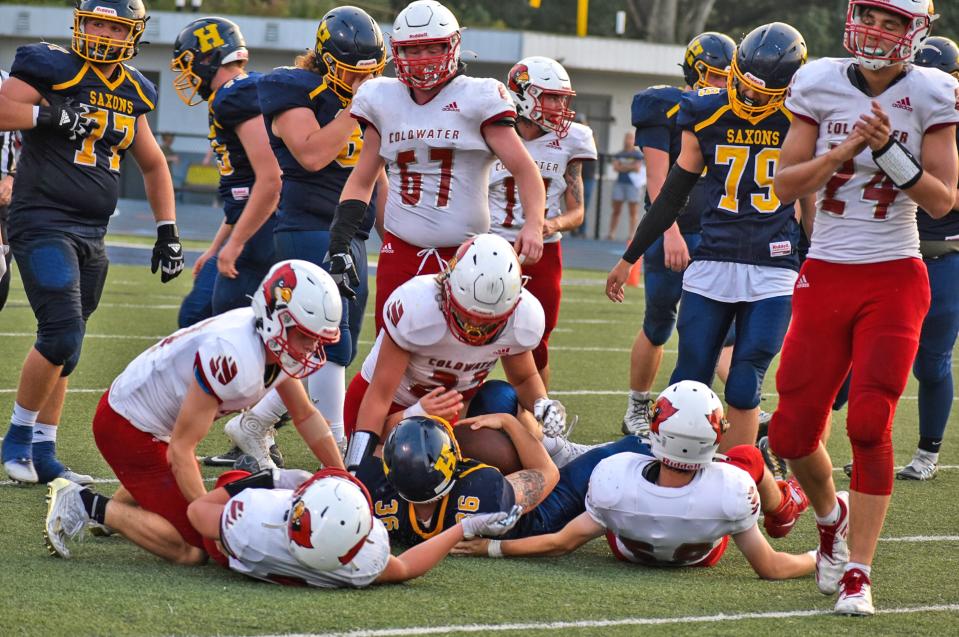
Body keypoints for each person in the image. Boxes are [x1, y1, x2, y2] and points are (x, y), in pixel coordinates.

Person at [768, 0, 958, 616]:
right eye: (869, 17)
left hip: (895, 275)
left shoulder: (933, 91)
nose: (876, 31)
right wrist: (841, 152)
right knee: (793, 431)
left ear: (914, 32)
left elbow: (940, 200)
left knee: (871, 423)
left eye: (892, 22)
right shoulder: (818, 79)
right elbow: (785, 183)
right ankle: (830, 518)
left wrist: (889, 154)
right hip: (825, 271)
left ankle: (858, 572)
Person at [42, 260, 346, 564]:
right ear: (275, 319)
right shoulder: (233, 355)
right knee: (196, 549)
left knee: (172, 484)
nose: (312, 347)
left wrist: (341, 476)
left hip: (154, 427)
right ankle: (83, 503)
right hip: (127, 428)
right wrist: (206, 517)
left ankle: (126, 506)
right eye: (306, 336)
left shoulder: (273, 345)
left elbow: (305, 415)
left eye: (318, 339)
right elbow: (181, 450)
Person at [0, 0, 184, 485]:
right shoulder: (52, 65)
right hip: (41, 219)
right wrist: (54, 116)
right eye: (96, 22)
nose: (103, 33)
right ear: (80, 24)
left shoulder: (133, 88)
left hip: (92, 231)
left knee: (71, 346)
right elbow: (3, 108)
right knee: (60, 332)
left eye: (114, 26)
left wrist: (167, 230)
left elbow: (153, 163)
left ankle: (45, 450)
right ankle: (16, 438)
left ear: (133, 35)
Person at [607, 23, 811, 451]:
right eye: (742, 82)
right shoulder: (706, 110)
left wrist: (813, 263)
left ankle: (741, 469)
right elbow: (670, 196)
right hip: (714, 258)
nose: (749, 95)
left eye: (762, 90)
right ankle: (670, 467)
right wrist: (630, 257)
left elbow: (810, 203)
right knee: (689, 377)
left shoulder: (801, 118)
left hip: (773, 267)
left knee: (743, 379)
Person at [218, 7, 388, 460]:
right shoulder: (292, 88)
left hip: (353, 230)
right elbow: (311, 154)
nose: (362, 81)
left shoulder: (360, 98)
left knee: (335, 342)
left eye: (371, 74)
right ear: (328, 60)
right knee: (333, 340)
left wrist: (391, 235)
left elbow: (374, 173)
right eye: (355, 73)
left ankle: (254, 422)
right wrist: (361, 106)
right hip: (309, 226)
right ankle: (340, 449)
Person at [324, 0, 546, 335]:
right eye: (413, 50)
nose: (423, 58)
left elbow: (525, 169)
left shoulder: (479, 96)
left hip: (465, 255)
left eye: (432, 47)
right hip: (399, 249)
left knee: (460, 346)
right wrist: (339, 242)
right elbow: (362, 178)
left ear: (453, 45)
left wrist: (534, 223)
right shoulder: (381, 98)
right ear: (397, 53)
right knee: (391, 341)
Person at [451, 380, 815, 580]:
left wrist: (493, 549)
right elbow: (771, 567)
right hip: (701, 555)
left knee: (627, 450)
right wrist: (821, 558)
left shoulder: (615, 476)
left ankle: (563, 448)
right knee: (749, 457)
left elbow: (561, 543)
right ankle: (783, 507)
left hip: (625, 547)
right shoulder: (732, 489)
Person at [343, 234, 581, 474]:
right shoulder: (418, 308)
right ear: (446, 285)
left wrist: (543, 404)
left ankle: (555, 449)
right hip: (392, 411)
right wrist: (357, 466)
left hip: (456, 410)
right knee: (399, 472)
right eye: (467, 317)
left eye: (488, 323)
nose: (474, 330)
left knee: (501, 398)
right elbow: (379, 395)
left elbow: (523, 379)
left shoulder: (522, 317)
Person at [616, 32, 735, 436]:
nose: (722, 85)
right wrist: (670, 233)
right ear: (696, 71)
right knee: (659, 322)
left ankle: (740, 405)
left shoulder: (728, 110)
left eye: (727, 78)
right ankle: (637, 405)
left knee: (724, 327)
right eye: (717, 77)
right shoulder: (663, 106)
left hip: (717, 235)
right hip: (674, 232)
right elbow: (656, 181)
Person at [185, 466, 523, 587]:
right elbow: (406, 567)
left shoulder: (252, 517)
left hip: (241, 546)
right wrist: (464, 528)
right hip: (256, 551)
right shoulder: (355, 568)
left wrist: (273, 478)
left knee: (234, 480)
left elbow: (197, 512)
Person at [489, 56, 597, 388]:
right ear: (523, 95)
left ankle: (538, 419)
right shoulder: (490, 130)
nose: (559, 106)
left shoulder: (573, 138)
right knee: (470, 338)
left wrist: (550, 225)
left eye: (563, 98)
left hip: (543, 252)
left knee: (536, 343)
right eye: (551, 97)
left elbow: (578, 213)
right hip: (491, 248)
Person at [170, 17, 282, 328]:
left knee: (228, 329)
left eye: (189, 63)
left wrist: (234, 244)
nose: (188, 74)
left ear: (208, 58)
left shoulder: (234, 96)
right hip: (249, 224)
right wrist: (217, 245)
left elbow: (271, 179)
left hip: (262, 230)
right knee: (196, 316)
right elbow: (243, 193)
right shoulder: (235, 93)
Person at [355, 414, 557, 546]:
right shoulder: (483, 490)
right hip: (535, 519)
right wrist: (509, 421)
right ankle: (557, 447)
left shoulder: (370, 489)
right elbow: (548, 471)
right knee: (498, 393)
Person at [900, 36, 959, 481]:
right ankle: (872, 445)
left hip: (943, 258)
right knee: (868, 354)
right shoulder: (901, 118)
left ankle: (927, 454)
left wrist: (904, 171)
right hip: (892, 255)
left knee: (931, 361)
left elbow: (947, 200)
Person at [0, 67, 19, 310]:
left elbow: (37, 142)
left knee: (1, 284)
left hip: (3, 197)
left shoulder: (10, 84)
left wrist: (12, 179)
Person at [606, 132, 643, 240]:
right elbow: (616, 167)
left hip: (633, 185)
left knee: (633, 211)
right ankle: (611, 233)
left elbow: (637, 168)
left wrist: (623, 166)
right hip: (620, 184)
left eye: (631, 138)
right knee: (616, 210)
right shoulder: (619, 154)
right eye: (627, 138)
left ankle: (632, 235)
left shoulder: (638, 155)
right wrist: (629, 166)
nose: (628, 141)